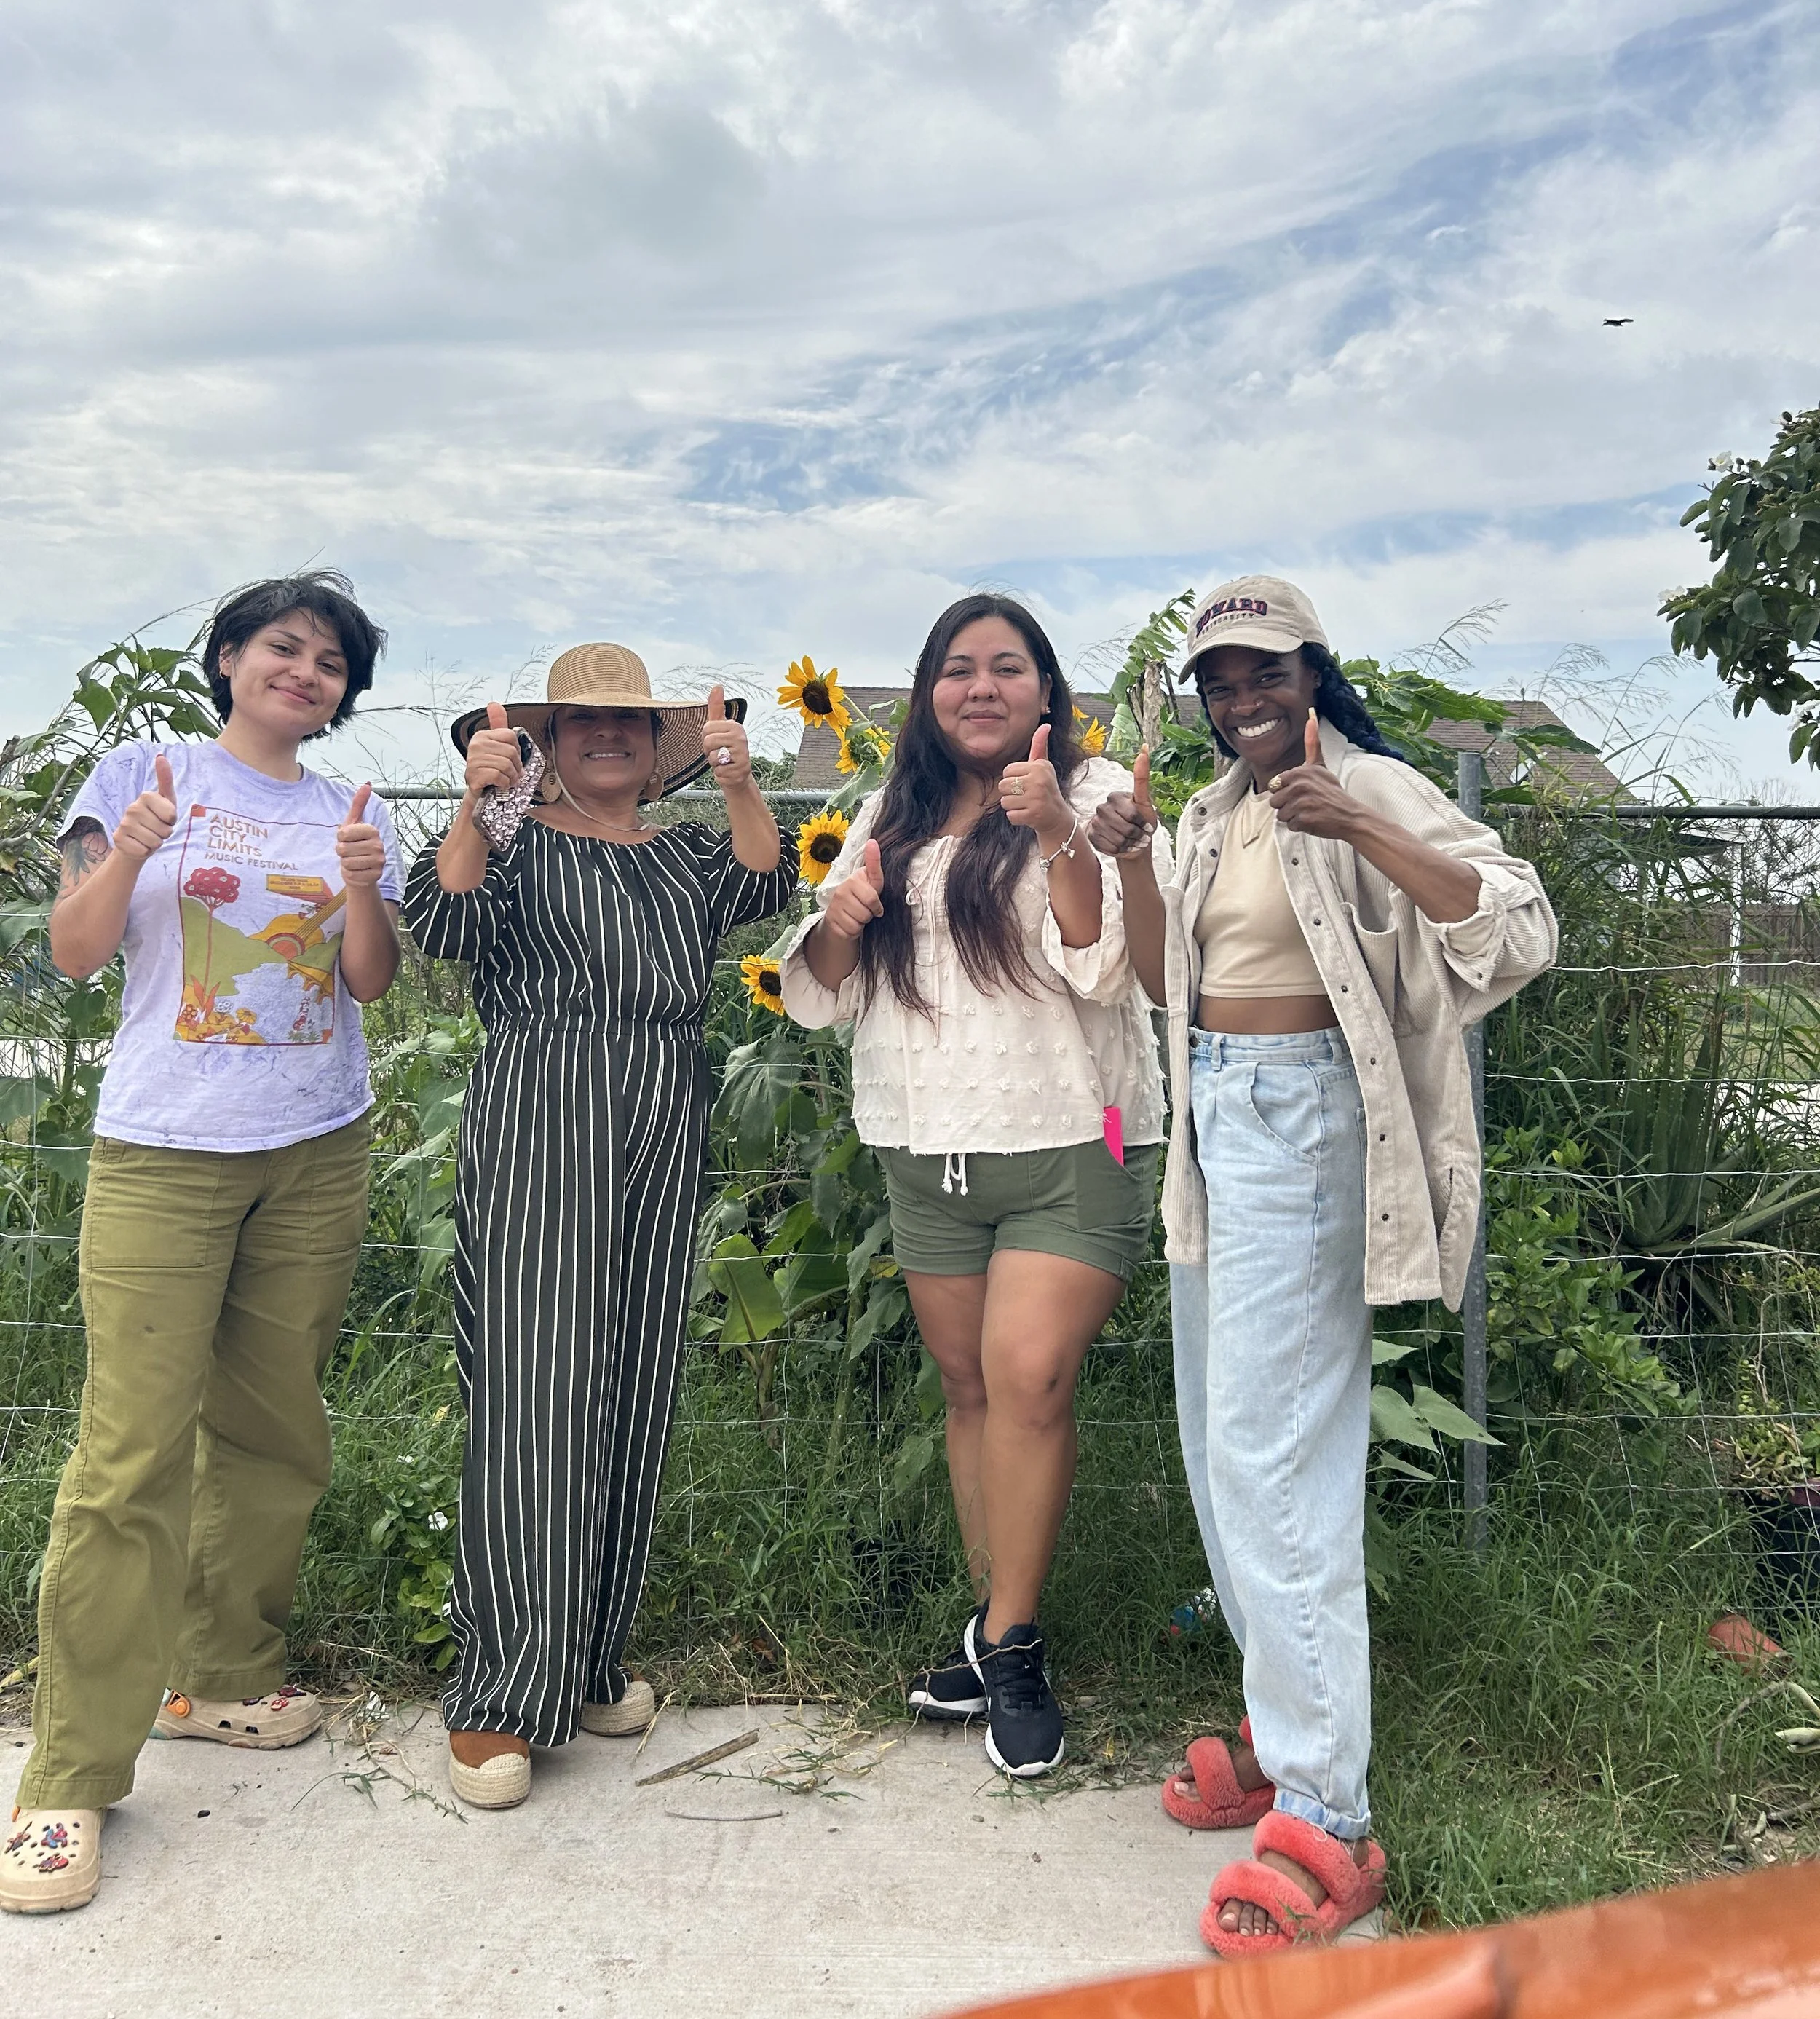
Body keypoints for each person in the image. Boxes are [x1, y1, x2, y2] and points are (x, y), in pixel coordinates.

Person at [1088, 574, 1556, 1958]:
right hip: (1211, 1112)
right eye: (1221, 682)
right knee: (1214, 1435)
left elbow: (1518, 928)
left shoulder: (1369, 782)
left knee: (1279, 1449)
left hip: (1304, 1118)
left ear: (1311, 671)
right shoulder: (1214, 813)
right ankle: (1283, 1712)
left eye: (1265, 673)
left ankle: (1330, 1814)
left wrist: (1358, 820)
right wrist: (1124, 859)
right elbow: (1169, 989)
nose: (1244, 699)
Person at [3, 572, 400, 1918]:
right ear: (228, 659)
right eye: (283, 648)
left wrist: (364, 890)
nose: (307, 672)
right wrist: (131, 849)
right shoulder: (139, 770)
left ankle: (221, 1678)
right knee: (128, 1454)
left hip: (316, 1144)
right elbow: (70, 950)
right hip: (166, 1150)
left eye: (332, 661)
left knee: (277, 1425)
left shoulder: (353, 811)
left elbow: (367, 981)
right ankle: (67, 1775)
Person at [780, 595, 1164, 1779]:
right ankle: (995, 1622)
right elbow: (830, 988)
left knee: (1030, 1375)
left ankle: (1010, 1641)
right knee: (969, 1390)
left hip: (1074, 1141)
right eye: (958, 669)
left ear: (1048, 693)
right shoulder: (881, 817)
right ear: (928, 694)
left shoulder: (1094, 798)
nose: (981, 687)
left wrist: (1058, 831)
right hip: (924, 1149)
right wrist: (841, 915)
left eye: (1008, 668)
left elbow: (1109, 969)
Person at [404, 644, 794, 1811]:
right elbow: (442, 919)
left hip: (664, 1110)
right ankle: (496, 1693)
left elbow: (763, 882)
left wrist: (736, 778)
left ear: (655, 746)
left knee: (630, 1379)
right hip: (546, 1105)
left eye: (629, 725)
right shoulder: (516, 835)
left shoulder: (681, 851)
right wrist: (480, 803)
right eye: (583, 723)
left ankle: (580, 1662)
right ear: (552, 738)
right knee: (534, 1383)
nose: (607, 739)